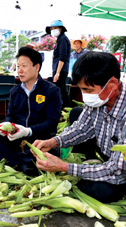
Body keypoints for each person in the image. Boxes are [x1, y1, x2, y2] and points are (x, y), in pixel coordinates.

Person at [32, 51, 126, 203]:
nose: (84, 96)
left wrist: (64, 167)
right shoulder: (101, 98)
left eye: (88, 90)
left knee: (103, 192)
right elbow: (81, 128)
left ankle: (99, 173)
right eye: (81, 89)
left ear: (113, 84)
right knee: (77, 113)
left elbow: (117, 168)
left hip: (122, 166)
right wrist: (53, 142)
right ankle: (92, 162)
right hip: (108, 152)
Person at [0, 47, 62, 175]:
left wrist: (28, 131)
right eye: (18, 66)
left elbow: (52, 122)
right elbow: (11, 115)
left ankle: (10, 160)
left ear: (37, 67)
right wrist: (6, 125)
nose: (20, 70)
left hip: (40, 141)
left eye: (24, 66)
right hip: (17, 139)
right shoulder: (15, 91)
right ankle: (21, 163)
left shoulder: (52, 91)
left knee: (48, 155)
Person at [46, 20, 71, 108]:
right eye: (52, 28)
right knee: (62, 91)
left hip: (60, 69)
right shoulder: (61, 39)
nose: (53, 30)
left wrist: (57, 72)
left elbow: (62, 57)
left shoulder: (63, 39)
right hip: (60, 69)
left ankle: (60, 112)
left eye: (55, 28)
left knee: (59, 92)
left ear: (61, 28)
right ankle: (69, 111)